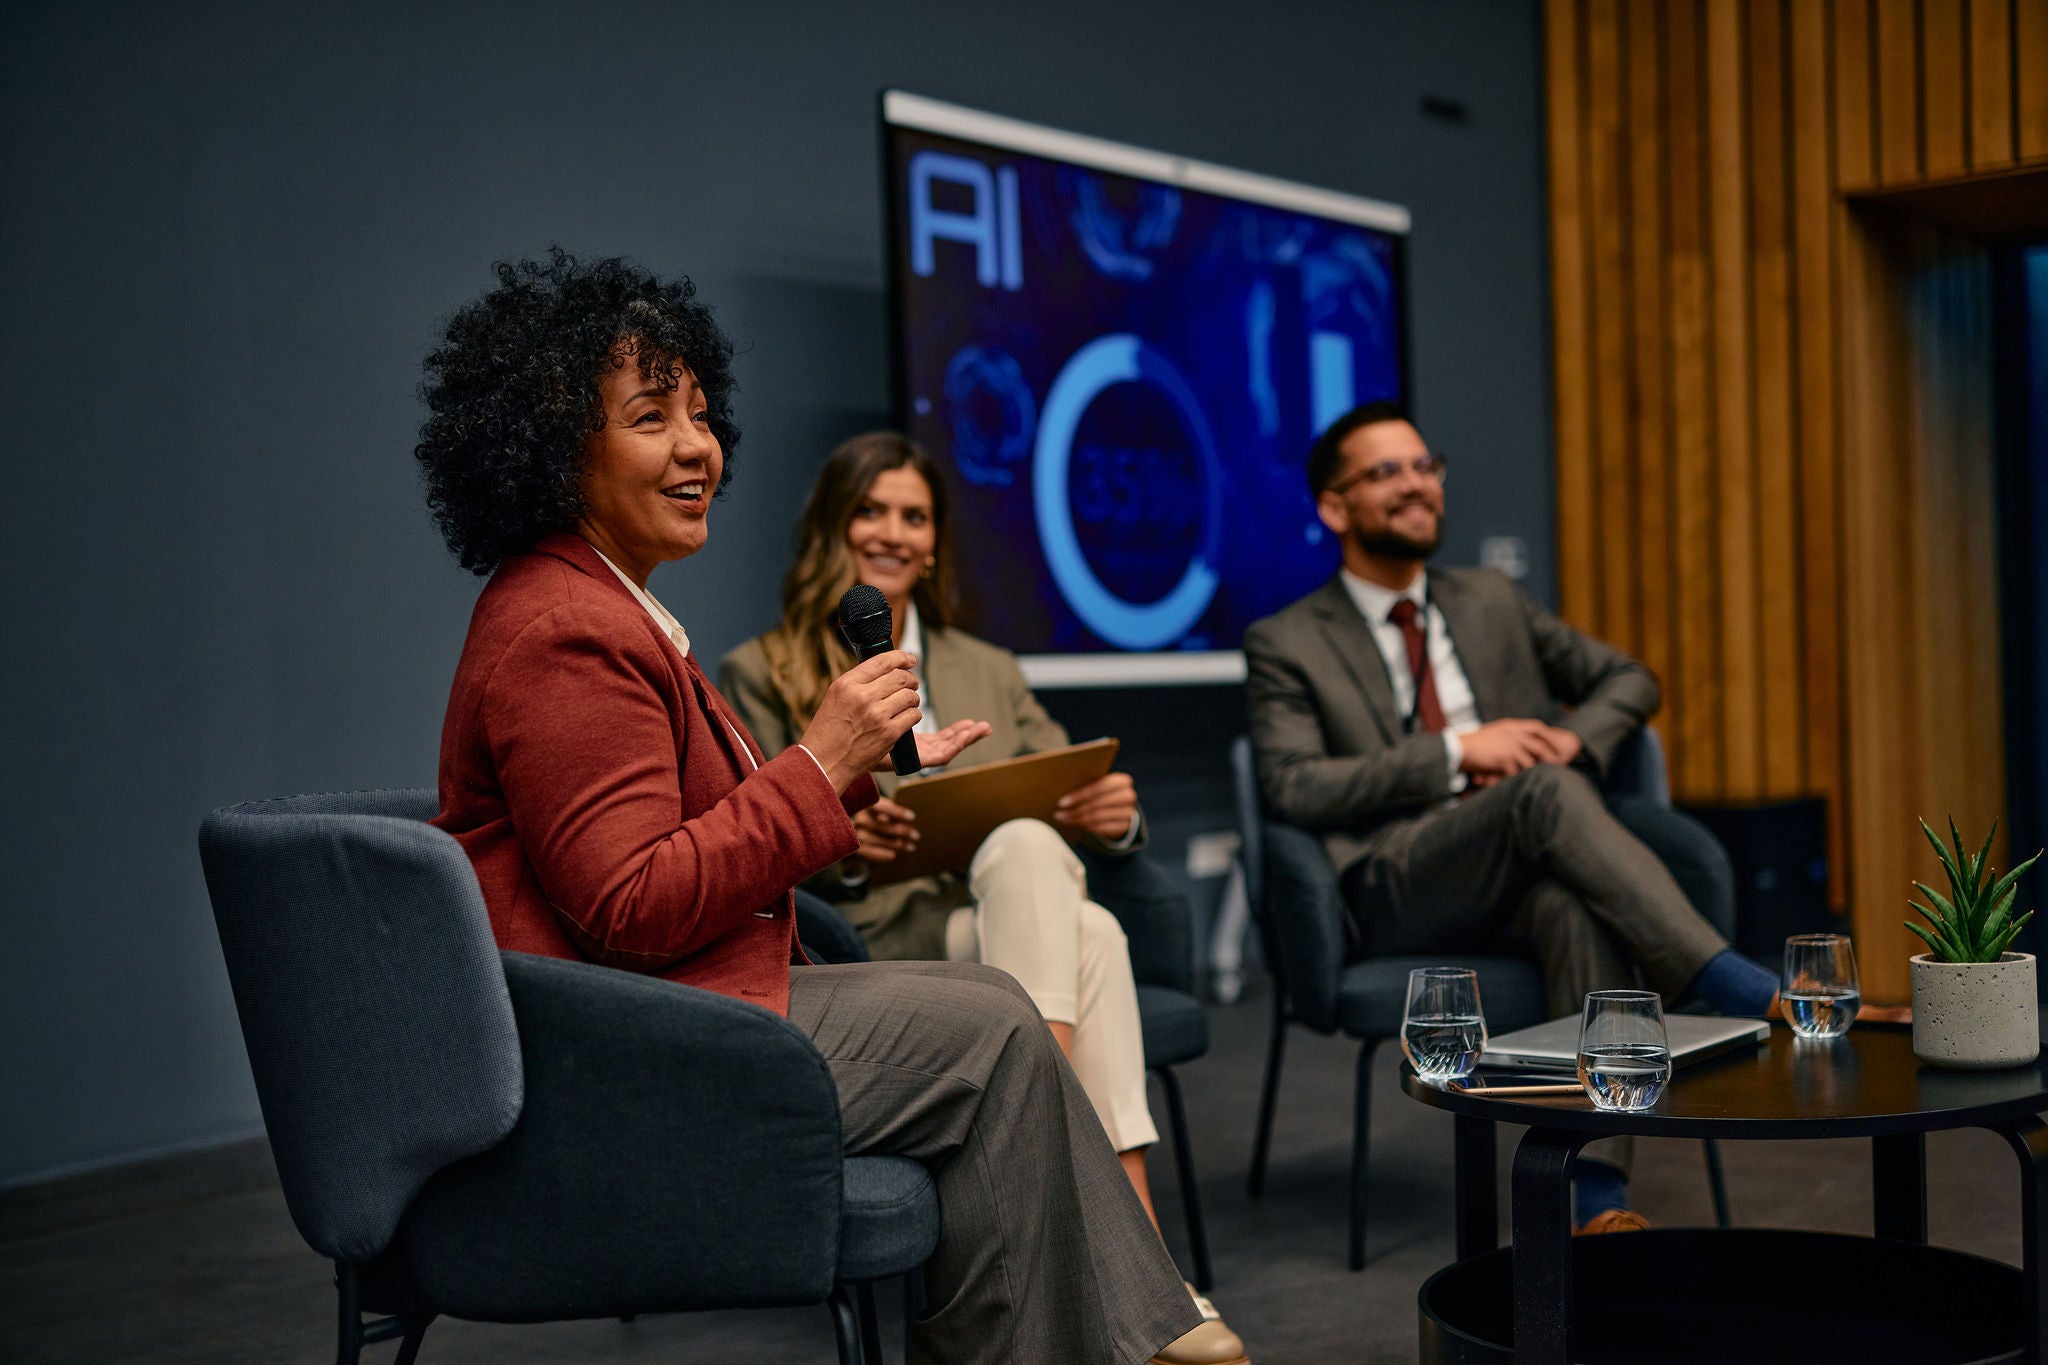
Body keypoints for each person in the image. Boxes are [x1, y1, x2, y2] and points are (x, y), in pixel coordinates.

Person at [418, 250, 1215, 1364]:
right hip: (631, 1051)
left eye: (700, 414)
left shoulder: (603, 606)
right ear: (555, 450)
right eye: (653, 418)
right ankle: (1147, 1331)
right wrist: (819, 756)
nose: (700, 447)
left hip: (681, 1008)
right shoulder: (566, 627)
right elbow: (632, 903)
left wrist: (842, 766)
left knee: (997, 1004)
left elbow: (689, 841)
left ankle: (1119, 1331)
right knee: (991, 1024)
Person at [720, 432, 1245, 1363]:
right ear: (834, 528)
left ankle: (1084, 1225)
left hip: (996, 932)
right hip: (873, 950)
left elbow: (1058, 772)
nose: (892, 532)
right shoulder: (762, 670)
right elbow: (744, 848)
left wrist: (1112, 816)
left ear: (934, 542)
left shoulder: (987, 665)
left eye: (913, 516)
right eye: (871, 510)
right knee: (1088, 936)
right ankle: (1149, 1278)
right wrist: (845, 840)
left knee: (1035, 847)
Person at [1244, 399, 1818, 1233]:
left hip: (1524, 869)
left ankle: (1590, 1198)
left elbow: (1629, 678)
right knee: (1542, 795)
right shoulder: (1286, 639)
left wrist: (1571, 743)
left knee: (1570, 901)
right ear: (1334, 507)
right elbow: (1293, 786)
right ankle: (1728, 984)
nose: (1417, 485)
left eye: (1424, 465)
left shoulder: (1490, 600)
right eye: (1386, 471)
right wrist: (1457, 751)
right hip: (1396, 880)